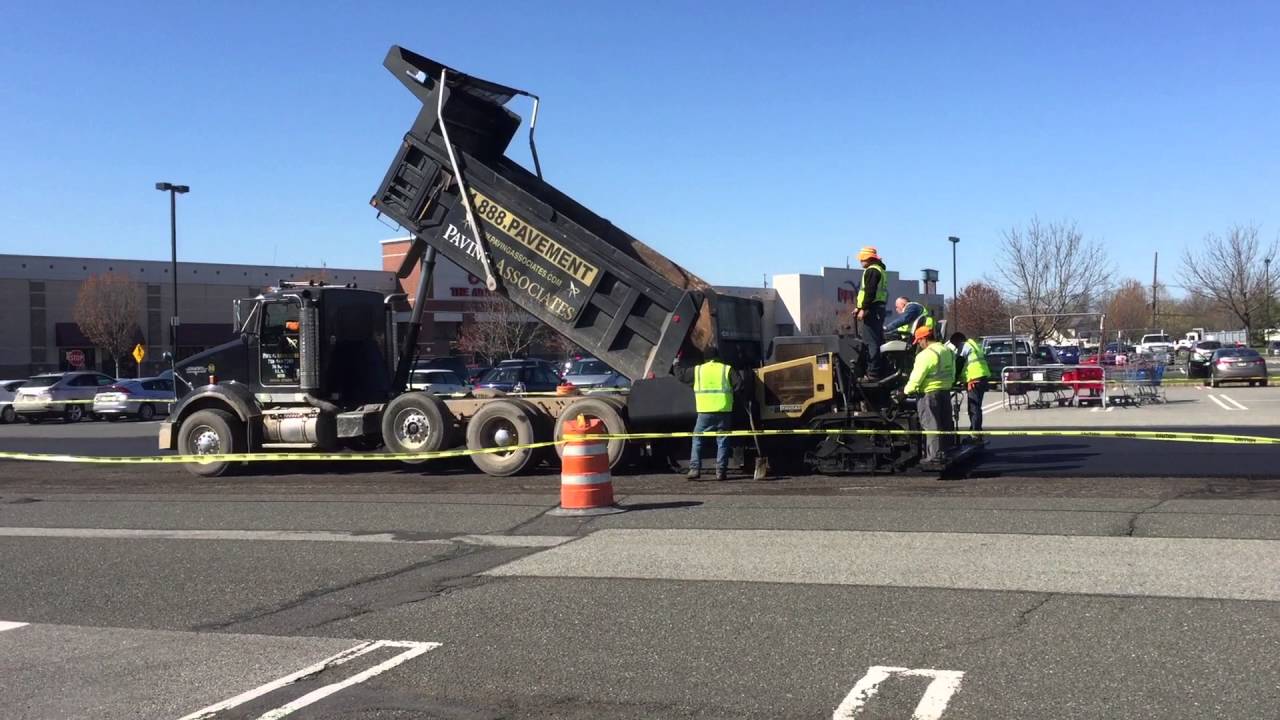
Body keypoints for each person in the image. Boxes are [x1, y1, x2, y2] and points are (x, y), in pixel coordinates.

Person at [676, 348, 743, 481]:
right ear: (718, 357)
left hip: (704, 412)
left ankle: (695, 469)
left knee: (697, 439)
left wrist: (676, 362)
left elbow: (681, 376)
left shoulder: (698, 370)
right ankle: (721, 471)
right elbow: (739, 384)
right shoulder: (726, 369)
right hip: (724, 411)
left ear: (705, 358)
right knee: (722, 441)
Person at [904, 325, 957, 464]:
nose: (919, 345)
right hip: (945, 392)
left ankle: (934, 457)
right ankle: (945, 451)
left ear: (924, 339)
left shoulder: (925, 355)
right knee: (945, 423)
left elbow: (917, 377)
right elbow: (952, 372)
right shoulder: (948, 351)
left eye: (919, 341)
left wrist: (905, 391)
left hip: (929, 394)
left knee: (931, 425)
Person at [853, 247, 888, 379]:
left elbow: (870, 292)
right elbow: (866, 292)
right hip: (877, 309)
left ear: (868, 258)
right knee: (875, 339)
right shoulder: (879, 270)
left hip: (872, 309)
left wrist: (864, 309)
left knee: (871, 341)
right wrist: (858, 306)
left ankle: (873, 372)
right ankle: (875, 369)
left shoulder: (872, 271)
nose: (860, 261)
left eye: (862, 259)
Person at [949, 331, 992, 438]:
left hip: (975, 379)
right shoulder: (974, 345)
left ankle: (975, 433)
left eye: (955, 344)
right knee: (976, 406)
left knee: (973, 408)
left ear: (958, 341)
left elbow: (959, 364)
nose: (955, 347)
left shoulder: (964, 346)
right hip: (981, 378)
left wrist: (952, 381)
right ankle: (976, 430)